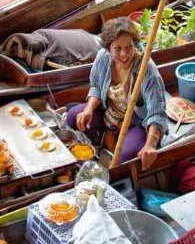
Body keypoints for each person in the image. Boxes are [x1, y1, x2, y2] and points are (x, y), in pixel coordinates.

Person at [67, 17, 166, 168]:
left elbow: (157, 113)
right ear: (108, 48)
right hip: (110, 113)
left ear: (135, 45)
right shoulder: (103, 57)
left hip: (136, 123)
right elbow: (97, 87)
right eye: (117, 48)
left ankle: (117, 138)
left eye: (129, 47)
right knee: (74, 117)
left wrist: (150, 144)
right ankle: (105, 135)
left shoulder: (146, 70)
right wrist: (88, 109)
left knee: (124, 158)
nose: (124, 54)